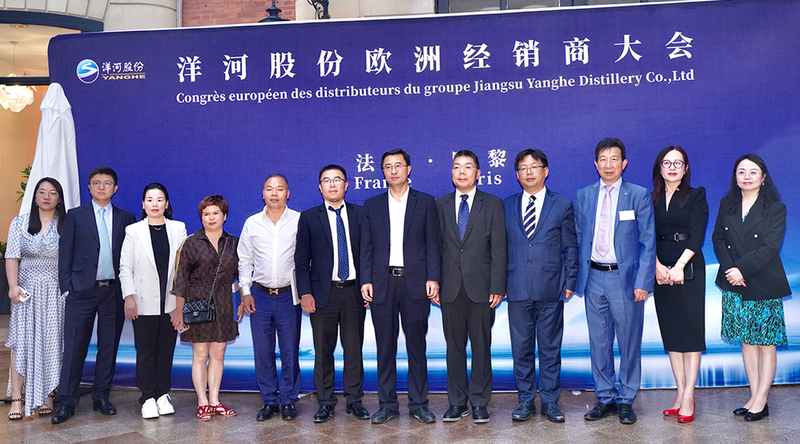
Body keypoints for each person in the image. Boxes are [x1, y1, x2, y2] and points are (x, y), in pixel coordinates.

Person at [574, 138, 655, 425]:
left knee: (629, 340)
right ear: (596, 164)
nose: (608, 165)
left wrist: (643, 281)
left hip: (626, 279)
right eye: (603, 159)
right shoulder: (584, 195)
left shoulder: (638, 195)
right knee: (599, 342)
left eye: (614, 159)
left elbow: (648, 241)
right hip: (593, 277)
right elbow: (578, 236)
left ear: (624, 163)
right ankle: (605, 397)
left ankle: (626, 399)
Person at [361, 149, 440, 424]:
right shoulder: (372, 205)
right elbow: (366, 247)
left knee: (416, 346)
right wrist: (366, 280)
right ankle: (387, 405)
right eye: (388, 166)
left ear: (408, 169)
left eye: (398, 165)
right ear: (383, 172)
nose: (393, 170)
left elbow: (433, 244)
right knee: (385, 348)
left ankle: (419, 404)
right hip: (382, 284)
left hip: (415, 283)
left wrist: (433, 277)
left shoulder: (425, 202)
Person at [53, 167, 137, 424]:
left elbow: (130, 257)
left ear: (115, 188)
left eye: (107, 183)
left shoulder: (127, 218)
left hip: (113, 291)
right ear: (89, 187)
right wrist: (67, 287)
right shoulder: (75, 215)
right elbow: (65, 253)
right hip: (81, 291)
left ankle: (101, 396)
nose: (102, 187)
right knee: (74, 346)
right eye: (96, 183)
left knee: (108, 346)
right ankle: (66, 401)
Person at [712, 154, 790, 422]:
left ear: (763, 177)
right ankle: (755, 397)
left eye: (753, 172)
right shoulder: (727, 204)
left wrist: (741, 270)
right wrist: (731, 270)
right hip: (734, 281)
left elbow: (771, 246)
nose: (747, 176)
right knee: (747, 341)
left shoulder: (776, 208)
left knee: (765, 342)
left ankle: (761, 399)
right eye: (741, 171)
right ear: (735, 177)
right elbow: (718, 238)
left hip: (763, 281)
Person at [503, 149, 578, 423]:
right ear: (517, 174)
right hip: (516, 285)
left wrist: (571, 280)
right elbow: (498, 249)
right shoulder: (506, 205)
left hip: (551, 286)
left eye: (534, 166)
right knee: (521, 349)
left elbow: (570, 246)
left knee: (549, 349)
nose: (529, 172)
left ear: (545, 171)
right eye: (523, 168)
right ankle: (525, 400)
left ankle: (549, 401)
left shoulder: (562, 204)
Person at [435, 150, 507, 424]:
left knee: (481, 346)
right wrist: (435, 283)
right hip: (450, 288)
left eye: (468, 167)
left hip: (482, 288)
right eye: (457, 167)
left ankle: (479, 401)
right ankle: (456, 402)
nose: (462, 172)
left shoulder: (493, 203)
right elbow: (435, 249)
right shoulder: (440, 204)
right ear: (451, 173)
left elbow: (499, 248)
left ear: (478, 173)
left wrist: (497, 286)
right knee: (453, 347)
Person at [295, 165, 368, 423]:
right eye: (327, 180)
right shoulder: (309, 217)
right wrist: (305, 293)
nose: (333, 184)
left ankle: (354, 400)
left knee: (354, 349)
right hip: (322, 294)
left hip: (353, 292)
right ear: (320, 187)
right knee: (323, 350)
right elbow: (301, 260)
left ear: (346, 185)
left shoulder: (361, 214)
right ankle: (325, 402)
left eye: (337, 180)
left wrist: (368, 285)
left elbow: (368, 254)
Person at [119, 183, 187, 419]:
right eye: (150, 199)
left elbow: (183, 269)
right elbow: (125, 267)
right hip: (142, 301)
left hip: (170, 303)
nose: (154, 204)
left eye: (159, 200)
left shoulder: (178, 228)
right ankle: (147, 397)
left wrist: (180, 305)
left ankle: (162, 395)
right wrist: (128, 296)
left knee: (166, 351)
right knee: (146, 352)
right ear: (143, 204)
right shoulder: (133, 231)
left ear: (166, 204)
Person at [172, 195, 243, 421]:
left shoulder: (234, 243)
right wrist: (178, 310)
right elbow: (180, 278)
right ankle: (202, 402)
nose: (211, 218)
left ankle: (214, 401)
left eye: (215, 213)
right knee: (201, 354)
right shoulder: (192, 243)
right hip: (198, 302)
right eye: (206, 214)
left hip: (224, 302)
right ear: (201, 217)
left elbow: (242, 275)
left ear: (225, 216)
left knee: (218, 354)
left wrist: (242, 300)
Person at [650, 146, 708, 423]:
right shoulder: (650, 198)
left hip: (689, 266)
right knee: (672, 333)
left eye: (678, 163)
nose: (672, 167)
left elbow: (697, 235)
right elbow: (645, 235)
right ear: (659, 169)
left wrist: (680, 266)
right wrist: (656, 265)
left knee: (691, 332)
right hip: (660, 268)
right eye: (667, 163)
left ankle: (689, 396)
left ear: (686, 169)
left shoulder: (696, 196)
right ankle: (680, 392)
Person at [238, 174, 302, 422]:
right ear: (263, 193)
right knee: (263, 351)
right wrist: (245, 292)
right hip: (260, 295)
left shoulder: (299, 220)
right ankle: (269, 400)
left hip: (289, 295)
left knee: (289, 350)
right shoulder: (252, 223)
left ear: (288, 193)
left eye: (280, 189)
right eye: (269, 189)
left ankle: (288, 399)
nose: (274, 193)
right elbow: (245, 260)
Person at [5, 178, 67, 419]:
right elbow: (12, 256)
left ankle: (47, 394)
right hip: (25, 292)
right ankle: (17, 398)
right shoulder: (19, 223)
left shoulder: (67, 224)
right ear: (35, 196)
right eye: (41, 192)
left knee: (52, 343)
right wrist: (13, 286)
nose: (46, 197)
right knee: (21, 342)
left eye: (52, 193)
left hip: (55, 292)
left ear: (59, 198)